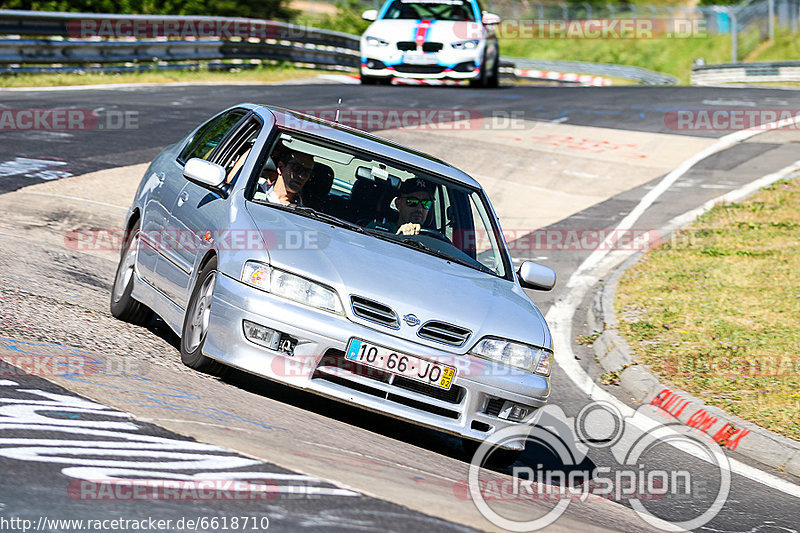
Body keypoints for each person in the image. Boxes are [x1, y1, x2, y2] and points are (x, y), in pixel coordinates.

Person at [368, 177, 434, 236]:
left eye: (426, 203)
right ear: (398, 204)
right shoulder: (376, 229)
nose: (419, 209)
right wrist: (398, 235)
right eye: (412, 202)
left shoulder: (433, 240)